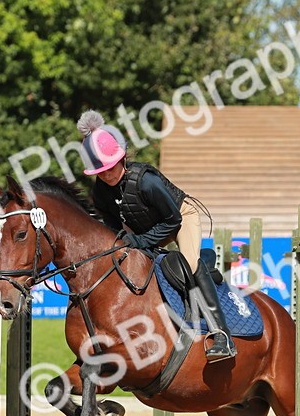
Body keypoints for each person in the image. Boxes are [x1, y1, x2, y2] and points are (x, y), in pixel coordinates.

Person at [77, 109, 236, 362]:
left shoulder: (146, 181)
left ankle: (221, 334)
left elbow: (173, 220)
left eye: (110, 166)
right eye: (100, 171)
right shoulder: (100, 192)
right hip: (146, 225)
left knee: (191, 264)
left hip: (180, 218)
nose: (106, 174)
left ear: (122, 158)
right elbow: (114, 228)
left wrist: (140, 241)